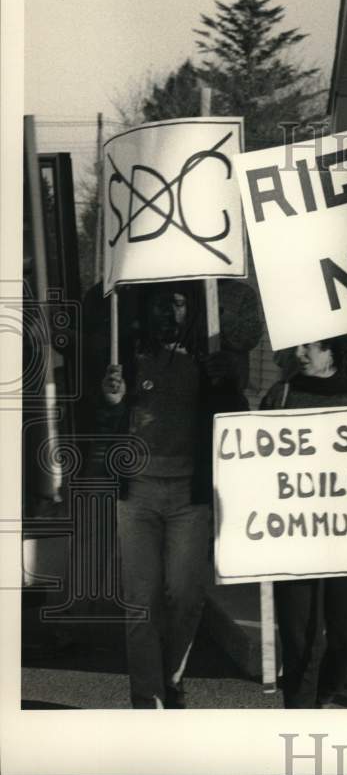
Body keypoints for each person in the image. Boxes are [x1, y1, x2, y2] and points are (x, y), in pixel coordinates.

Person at [97, 281, 254, 708]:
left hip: (190, 496)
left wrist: (228, 386)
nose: (170, 312)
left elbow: (237, 427)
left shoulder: (212, 359)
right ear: (146, 309)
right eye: (161, 304)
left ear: (192, 310)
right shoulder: (121, 356)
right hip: (138, 496)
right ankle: (148, 699)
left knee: (184, 597)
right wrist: (112, 404)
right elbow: (97, 430)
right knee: (141, 603)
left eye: (180, 303)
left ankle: (171, 680)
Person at [259, 336, 347, 709]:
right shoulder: (280, 396)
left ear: (333, 351)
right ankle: (299, 719)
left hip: (344, 544)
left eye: (309, 347)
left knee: (343, 643)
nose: (298, 354)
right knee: (298, 641)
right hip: (293, 537)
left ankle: (319, 699)